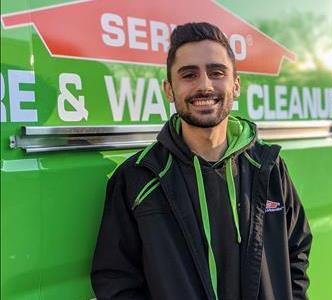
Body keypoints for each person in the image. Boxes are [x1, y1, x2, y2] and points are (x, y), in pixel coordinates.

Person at [91, 22, 312, 300]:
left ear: (236, 85)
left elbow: (297, 250)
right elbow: (116, 281)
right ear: (169, 90)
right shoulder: (139, 177)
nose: (205, 85)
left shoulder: (268, 167)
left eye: (216, 72)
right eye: (189, 75)